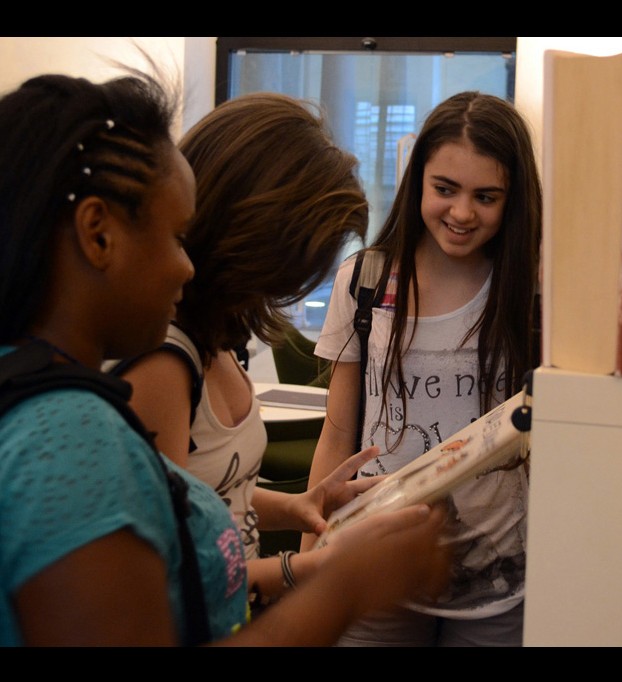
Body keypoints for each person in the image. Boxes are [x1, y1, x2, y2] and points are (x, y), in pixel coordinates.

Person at [0, 68, 449, 647]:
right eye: (174, 236)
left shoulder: (45, 396)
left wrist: (302, 515)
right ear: (98, 234)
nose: (185, 266)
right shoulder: (74, 436)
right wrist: (342, 588)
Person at [113, 91, 391, 604]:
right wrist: (309, 570)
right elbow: (170, 571)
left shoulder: (214, 338)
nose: (287, 290)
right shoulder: (163, 363)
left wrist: (300, 506)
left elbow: (210, 493)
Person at [303, 91, 542, 646]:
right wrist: (309, 557)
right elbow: (338, 431)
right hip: (373, 558)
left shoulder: (530, 291)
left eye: (486, 196)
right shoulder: (364, 281)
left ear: (513, 200)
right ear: (418, 184)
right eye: (445, 189)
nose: (462, 213)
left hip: (499, 575)